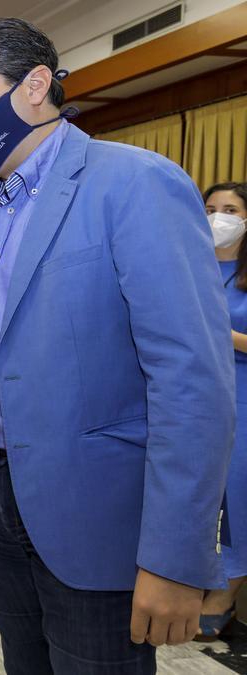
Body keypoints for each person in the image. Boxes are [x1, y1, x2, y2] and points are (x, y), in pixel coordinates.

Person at [0, 18, 234, 674]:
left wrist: (174, 554)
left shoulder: (133, 184)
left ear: (36, 85)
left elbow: (193, 380)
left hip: (95, 509)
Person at [200, 181, 247, 640]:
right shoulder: (190, 266)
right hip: (194, 397)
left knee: (236, 497)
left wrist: (219, 333)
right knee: (198, 492)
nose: (219, 217)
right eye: (211, 207)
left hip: (243, 395)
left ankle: (224, 596)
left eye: (230, 209)